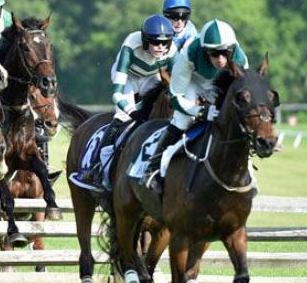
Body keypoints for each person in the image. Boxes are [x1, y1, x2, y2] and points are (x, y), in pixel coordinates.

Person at [143, 19, 249, 185]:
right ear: (205, 50)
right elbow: (175, 97)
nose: (221, 60)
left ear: (232, 49)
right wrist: (200, 112)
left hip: (217, 86)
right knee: (182, 119)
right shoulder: (190, 53)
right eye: (214, 53)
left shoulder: (241, 60)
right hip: (191, 81)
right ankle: (153, 166)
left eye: (225, 53)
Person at [75, 16, 177, 186]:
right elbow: (117, 94)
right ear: (145, 41)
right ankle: (94, 168)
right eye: (155, 42)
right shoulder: (131, 44)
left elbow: (177, 84)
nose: (161, 47)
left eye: (165, 42)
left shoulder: (173, 51)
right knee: (122, 116)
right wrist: (131, 111)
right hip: (127, 77)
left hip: (151, 77)